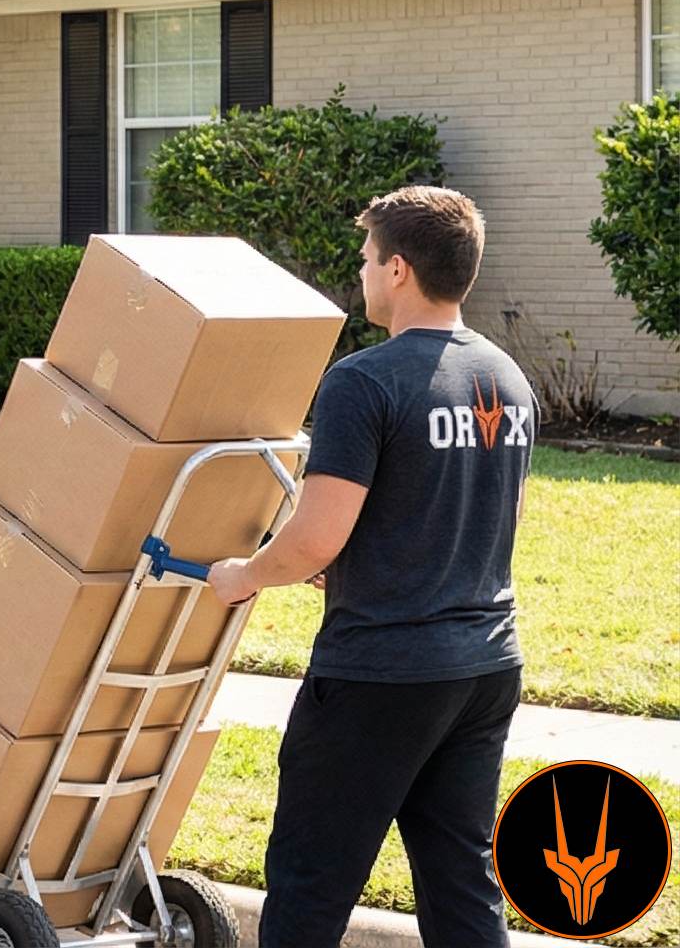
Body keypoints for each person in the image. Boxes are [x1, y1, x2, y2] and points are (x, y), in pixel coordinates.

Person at [207, 186, 527, 948]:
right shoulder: (507, 380)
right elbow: (473, 518)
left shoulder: (365, 381)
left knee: (310, 886)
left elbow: (316, 538)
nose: (361, 274)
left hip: (381, 674)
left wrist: (246, 574)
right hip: (483, 670)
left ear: (399, 270)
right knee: (461, 890)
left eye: (365, 260)